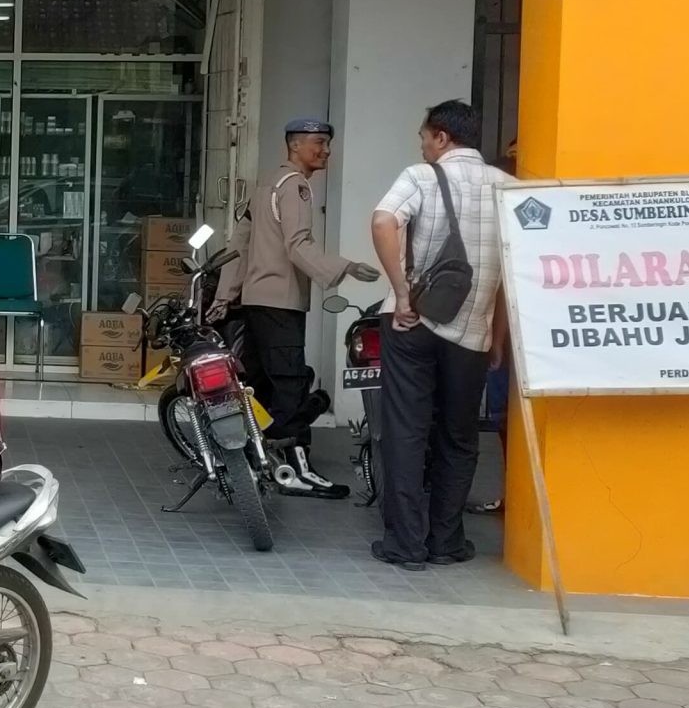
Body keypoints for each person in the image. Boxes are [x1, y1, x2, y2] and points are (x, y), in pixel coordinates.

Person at [369, 99, 514, 569]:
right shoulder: (508, 188)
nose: (422, 146)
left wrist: (401, 293)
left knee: (406, 431)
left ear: (442, 137)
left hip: (413, 324)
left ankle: (405, 544)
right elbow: (512, 275)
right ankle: (446, 542)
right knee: (459, 435)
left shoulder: (420, 177)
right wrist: (497, 338)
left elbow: (383, 221)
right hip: (472, 334)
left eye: (424, 138)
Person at [214, 117, 379, 498]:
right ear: (295, 145)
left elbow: (239, 243)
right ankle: (296, 471)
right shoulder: (296, 187)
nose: (325, 151)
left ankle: (256, 462)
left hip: (256, 303)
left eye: (327, 143)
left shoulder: (266, 184)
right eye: (318, 142)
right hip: (281, 302)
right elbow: (298, 244)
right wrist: (344, 267)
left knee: (258, 385)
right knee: (290, 384)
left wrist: (225, 295)